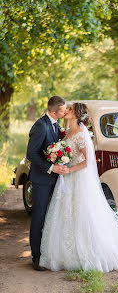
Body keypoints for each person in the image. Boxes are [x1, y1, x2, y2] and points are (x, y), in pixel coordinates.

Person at [39, 102, 118, 272]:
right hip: (66, 179)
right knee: (65, 214)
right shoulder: (68, 132)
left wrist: (69, 168)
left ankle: (85, 254)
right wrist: (59, 160)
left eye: (69, 109)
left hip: (77, 177)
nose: (66, 111)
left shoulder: (80, 134)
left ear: (77, 114)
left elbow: (87, 162)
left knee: (82, 213)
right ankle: (65, 254)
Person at [26, 96, 68, 271]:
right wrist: (52, 168)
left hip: (54, 180)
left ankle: (48, 253)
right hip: (42, 179)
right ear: (53, 111)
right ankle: (36, 257)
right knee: (39, 216)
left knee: (51, 217)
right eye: (63, 110)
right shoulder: (40, 126)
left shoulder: (55, 124)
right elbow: (31, 154)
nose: (65, 112)